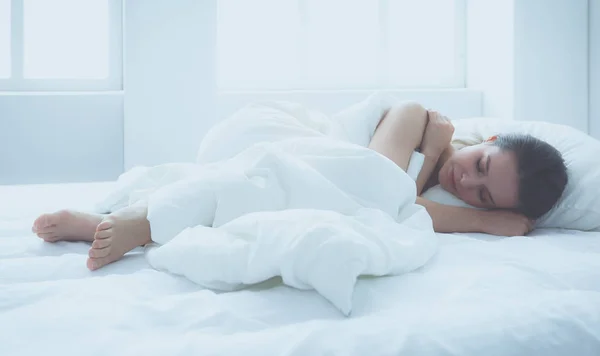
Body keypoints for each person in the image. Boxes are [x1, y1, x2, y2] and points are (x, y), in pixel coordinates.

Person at [31, 101, 568, 271]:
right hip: (264, 134)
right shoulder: (413, 116)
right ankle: (141, 222)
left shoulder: (433, 163)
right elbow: (377, 185)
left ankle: (127, 221)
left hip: (274, 168)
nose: (465, 179)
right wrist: (485, 219)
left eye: (482, 193)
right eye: (480, 163)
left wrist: (436, 167)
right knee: (287, 184)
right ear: (489, 138)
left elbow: (391, 197)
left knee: (266, 207)